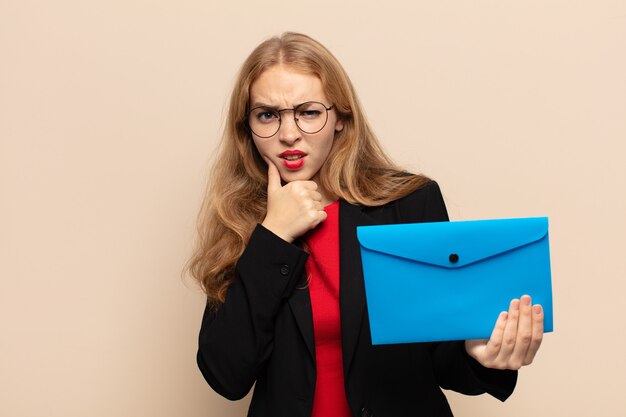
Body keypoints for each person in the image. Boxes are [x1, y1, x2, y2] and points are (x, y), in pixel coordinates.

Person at [188, 32, 544, 417]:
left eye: (308, 112)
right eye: (267, 115)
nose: (288, 134)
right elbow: (226, 375)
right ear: (247, 127)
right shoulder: (242, 222)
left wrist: (480, 355)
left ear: (340, 117)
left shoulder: (409, 202)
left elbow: (440, 360)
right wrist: (273, 235)